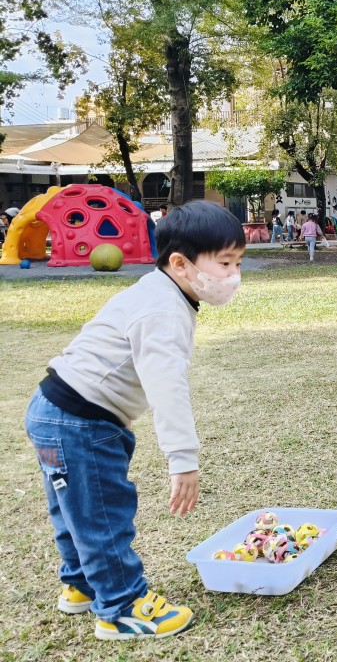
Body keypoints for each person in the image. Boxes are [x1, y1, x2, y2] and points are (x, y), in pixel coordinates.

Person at [24, 201, 245, 640]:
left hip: (53, 411)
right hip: (80, 421)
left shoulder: (156, 291)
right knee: (102, 514)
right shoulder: (164, 311)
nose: (234, 275)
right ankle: (121, 606)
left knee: (74, 510)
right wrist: (183, 458)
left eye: (238, 263)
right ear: (179, 263)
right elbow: (167, 387)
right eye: (224, 263)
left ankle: (81, 585)